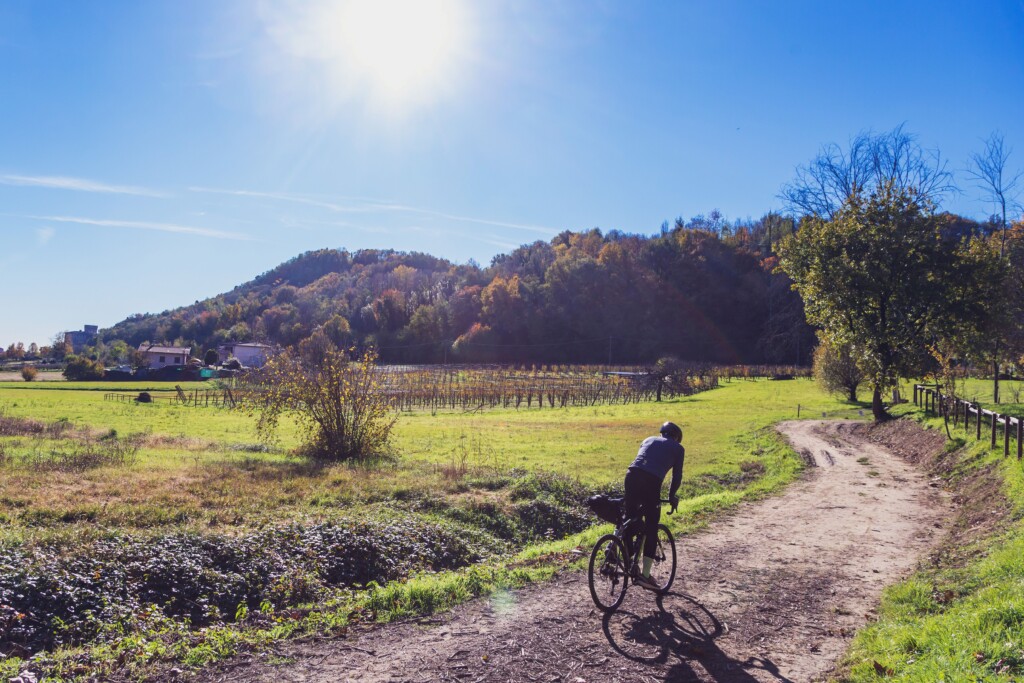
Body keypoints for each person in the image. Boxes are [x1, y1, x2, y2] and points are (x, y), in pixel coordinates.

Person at [624, 421, 684, 590]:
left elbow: (643, 462)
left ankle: (624, 559)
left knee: (630, 518)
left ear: (662, 433)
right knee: (651, 527)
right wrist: (671, 496)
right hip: (652, 481)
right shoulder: (678, 449)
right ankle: (644, 575)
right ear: (676, 438)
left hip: (631, 475)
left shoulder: (648, 439)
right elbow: (677, 476)